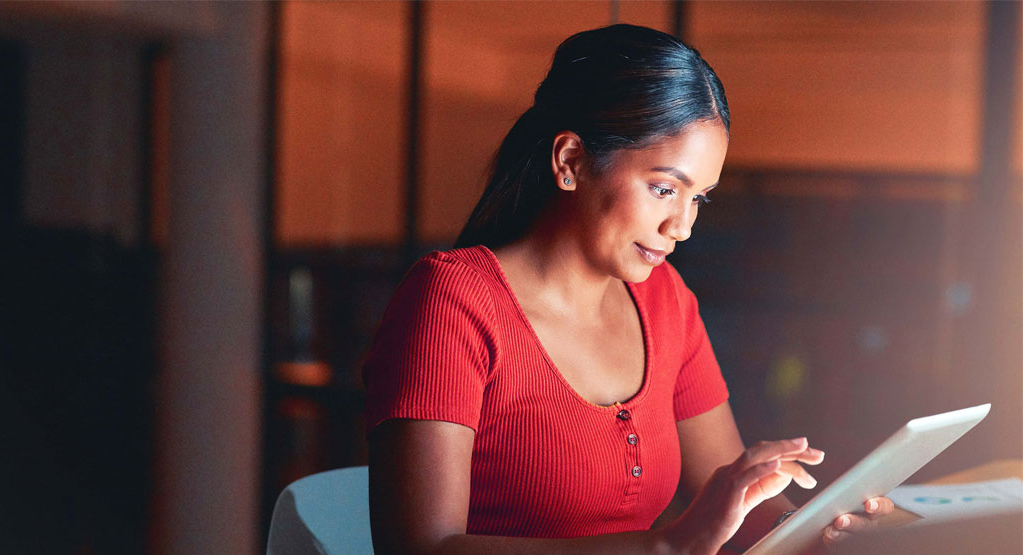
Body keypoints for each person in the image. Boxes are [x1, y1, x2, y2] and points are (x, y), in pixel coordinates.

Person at [362, 24, 893, 554]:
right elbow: (418, 547)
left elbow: (739, 509)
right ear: (570, 162)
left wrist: (825, 533)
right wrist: (663, 547)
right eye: (664, 189)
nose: (681, 227)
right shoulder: (452, 301)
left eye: (698, 199)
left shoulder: (666, 302)